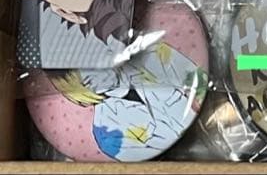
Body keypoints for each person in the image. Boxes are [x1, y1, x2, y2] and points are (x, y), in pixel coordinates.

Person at [44, 40, 206, 161]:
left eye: (93, 65)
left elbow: (198, 80)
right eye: (88, 82)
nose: (100, 78)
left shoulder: (152, 53)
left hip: (209, 119)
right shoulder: (107, 133)